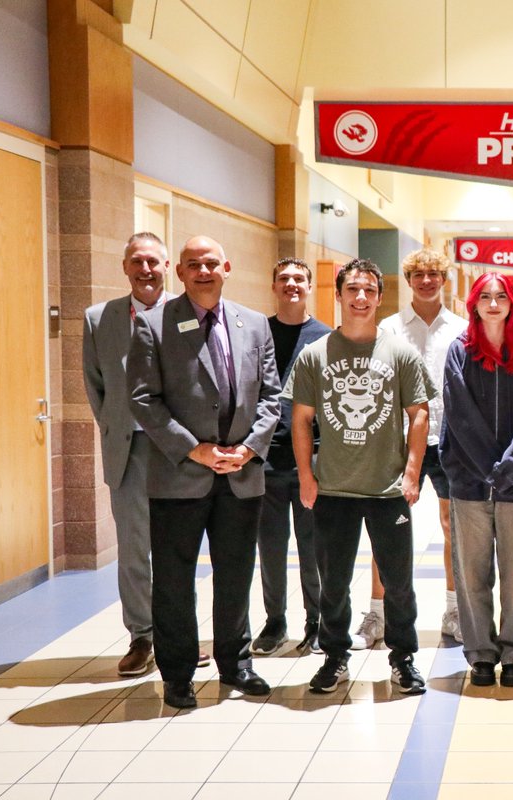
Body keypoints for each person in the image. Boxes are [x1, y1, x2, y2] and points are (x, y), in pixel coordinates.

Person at [127, 235, 281, 709]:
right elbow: (142, 399)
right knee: (174, 579)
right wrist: (194, 450)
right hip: (179, 476)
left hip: (240, 474)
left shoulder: (254, 324)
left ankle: (235, 663)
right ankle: (177, 674)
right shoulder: (153, 324)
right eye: (193, 264)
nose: (203, 271)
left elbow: (272, 395)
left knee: (236, 574)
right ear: (180, 272)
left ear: (227, 266)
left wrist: (249, 449)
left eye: (211, 262)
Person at [286, 259, 433, 696]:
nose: (362, 297)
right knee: (333, 582)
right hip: (333, 487)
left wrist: (411, 472)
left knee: (399, 582)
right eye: (353, 289)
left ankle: (403, 658)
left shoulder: (399, 352)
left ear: (379, 296)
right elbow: (301, 421)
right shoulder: (315, 355)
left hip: (387, 489)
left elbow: (419, 413)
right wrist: (306, 477)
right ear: (339, 294)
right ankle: (334, 657)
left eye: (370, 289)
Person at [84, 232, 208, 677]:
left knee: (177, 547)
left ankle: (180, 636)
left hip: (176, 448)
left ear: (167, 266)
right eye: (137, 261)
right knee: (135, 548)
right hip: (130, 449)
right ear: (125, 267)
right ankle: (142, 636)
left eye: (154, 261)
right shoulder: (100, 318)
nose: (146, 270)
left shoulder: (189, 313)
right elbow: (96, 386)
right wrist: (119, 428)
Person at [353, 247, 467, 649]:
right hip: (396, 441)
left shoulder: (461, 327)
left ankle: (454, 611)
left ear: (443, 279)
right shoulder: (389, 328)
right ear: (408, 280)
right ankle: (377, 616)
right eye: (418, 274)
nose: (426, 280)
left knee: (454, 527)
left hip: (450, 440)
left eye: (434, 273)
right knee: (386, 531)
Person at [440, 273, 513, 688]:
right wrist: (488, 467)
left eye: (501, 296)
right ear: (474, 303)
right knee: (471, 572)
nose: (493, 303)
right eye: (485, 296)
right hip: (469, 481)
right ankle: (481, 653)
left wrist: (510, 467)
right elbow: (458, 412)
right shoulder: (460, 352)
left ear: (512, 302)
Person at [251, 259, 331, 656]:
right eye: (283, 278)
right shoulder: (257, 333)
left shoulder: (325, 338)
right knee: (270, 546)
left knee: (314, 546)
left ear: (310, 285)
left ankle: (316, 621)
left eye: (299, 279)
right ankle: (274, 621)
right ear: (273, 285)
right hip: (266, 458)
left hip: (312, 460)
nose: (291, 284)